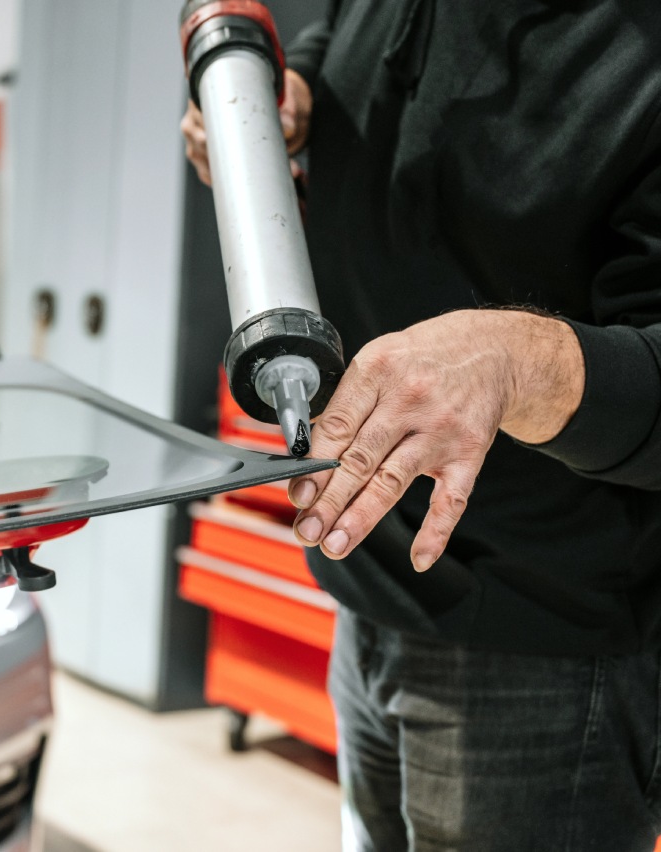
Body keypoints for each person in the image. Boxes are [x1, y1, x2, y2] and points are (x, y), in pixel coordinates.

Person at [183, 1, 661, 849]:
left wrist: (516, 360)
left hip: (540, 643)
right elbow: (346, 24)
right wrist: (294, 95)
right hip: (365, 585)